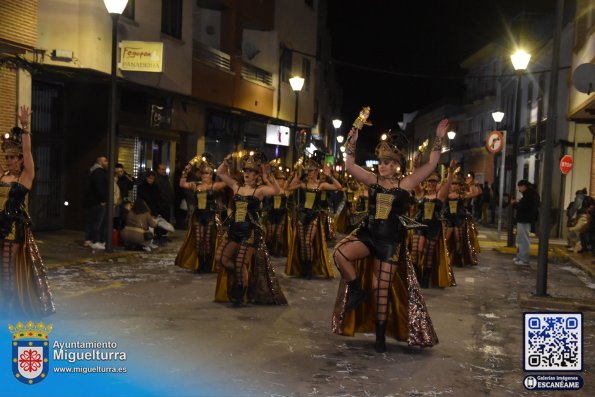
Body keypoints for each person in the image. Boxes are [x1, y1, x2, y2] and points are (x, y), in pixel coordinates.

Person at [331, 119, 448, 353]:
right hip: (368, 234)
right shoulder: (372, 181)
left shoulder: (407, 184)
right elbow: (351, 166)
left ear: (396, 165)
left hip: (390, 243)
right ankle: (355, 289)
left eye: (387, 163)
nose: (382, 166)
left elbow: (432, 164)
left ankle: (381, 336)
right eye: (381, 162)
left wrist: (439, 137)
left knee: (380, 289)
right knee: (340, 253)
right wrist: (352, 143)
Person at [0, 106, 55, 316]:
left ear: (21, 160)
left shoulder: (25, 177)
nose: (9, 160)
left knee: (8, 269)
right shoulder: (3, 176)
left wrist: (25, 127)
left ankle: (12, 307)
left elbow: (27, 151)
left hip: (13, 227)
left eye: (13, 157)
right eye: (7, 157)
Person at [214, 151, 287, 307]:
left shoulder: (259, 191)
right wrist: (226, 161)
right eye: (246, 170)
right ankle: (243, 277)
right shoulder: (236, 187)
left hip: (250, 232)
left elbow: (277, 191)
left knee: (241, 263)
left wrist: (268, 176)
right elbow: (220, 172)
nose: (247, 173)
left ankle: (240, 292)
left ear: (256, 175)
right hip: (234, 230)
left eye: (251, 171)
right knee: (221, 258)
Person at [285, 151, 341, 279]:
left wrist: (329, 175)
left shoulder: (321, 185)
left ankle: (309, 269)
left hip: (314, 215)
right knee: (302, 242)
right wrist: (294, 177)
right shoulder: (303, 184)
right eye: (308, 171)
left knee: (308, 241)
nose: (309, 173)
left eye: (311, 170)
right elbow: (287, 189)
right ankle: (304, 269)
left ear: (316, 171)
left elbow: (338, 187)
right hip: (302, 215)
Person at [175, 155, 227, 273]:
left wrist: (225, 168)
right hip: (198, 215)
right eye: (203, 173)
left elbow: (227, 182)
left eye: (208, 173)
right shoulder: (196, 185)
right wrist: (187, 169)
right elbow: (182, 184)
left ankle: (208, 266)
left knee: (208, 241)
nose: (205, 176)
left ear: (211, 174)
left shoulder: (214, 185)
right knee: (198, 241)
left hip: (210, 215)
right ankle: (200, 266)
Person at [411, 164, 456, 288]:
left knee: (428, 253)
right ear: (426, 182)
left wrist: (450, 172)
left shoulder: (440, 196)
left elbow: (447, 185)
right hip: (419, 225)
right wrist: (416, 165)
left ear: (437, 183)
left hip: (433, 227)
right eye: (429, 181)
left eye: (434, 181)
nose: (431, 183)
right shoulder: (420, 194)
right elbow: (414, 180)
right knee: (416, 250)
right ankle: (415, 278)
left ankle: (425, 279)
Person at [511, 180, 539, 266]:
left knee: (523, 240)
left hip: (524, 220)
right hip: (524, 219)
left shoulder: (529, 195)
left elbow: (522, 207)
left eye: (519, 187)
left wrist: (514, 204)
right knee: (521, 240)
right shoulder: (530, 194)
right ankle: (520, 257)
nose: (519, 189)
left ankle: (524, 259)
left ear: (524, 186)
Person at [84, 155, 109, 250]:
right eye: (105, 161)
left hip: (92, 201)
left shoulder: (92, 171)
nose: (107, 163)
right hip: (98, 202)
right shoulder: (99, 173)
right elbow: (99, 187)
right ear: (100, 162)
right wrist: (103, 199)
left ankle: (89, 239)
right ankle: (96, 241)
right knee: (98, 222)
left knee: (91, 221)